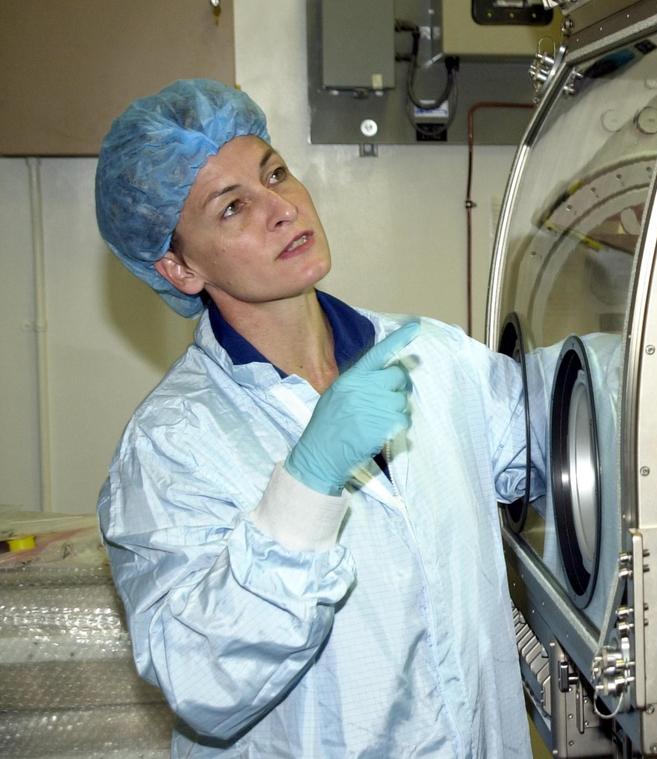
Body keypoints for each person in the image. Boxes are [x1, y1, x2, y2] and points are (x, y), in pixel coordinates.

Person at [95, 79, 543, 757]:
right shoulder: (170, 446)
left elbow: (562, 429)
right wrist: (307, 485)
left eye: (275, 173)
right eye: (233, 206)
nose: (282, 208)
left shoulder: (433, 356)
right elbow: (202, 681)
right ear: (179, 267)